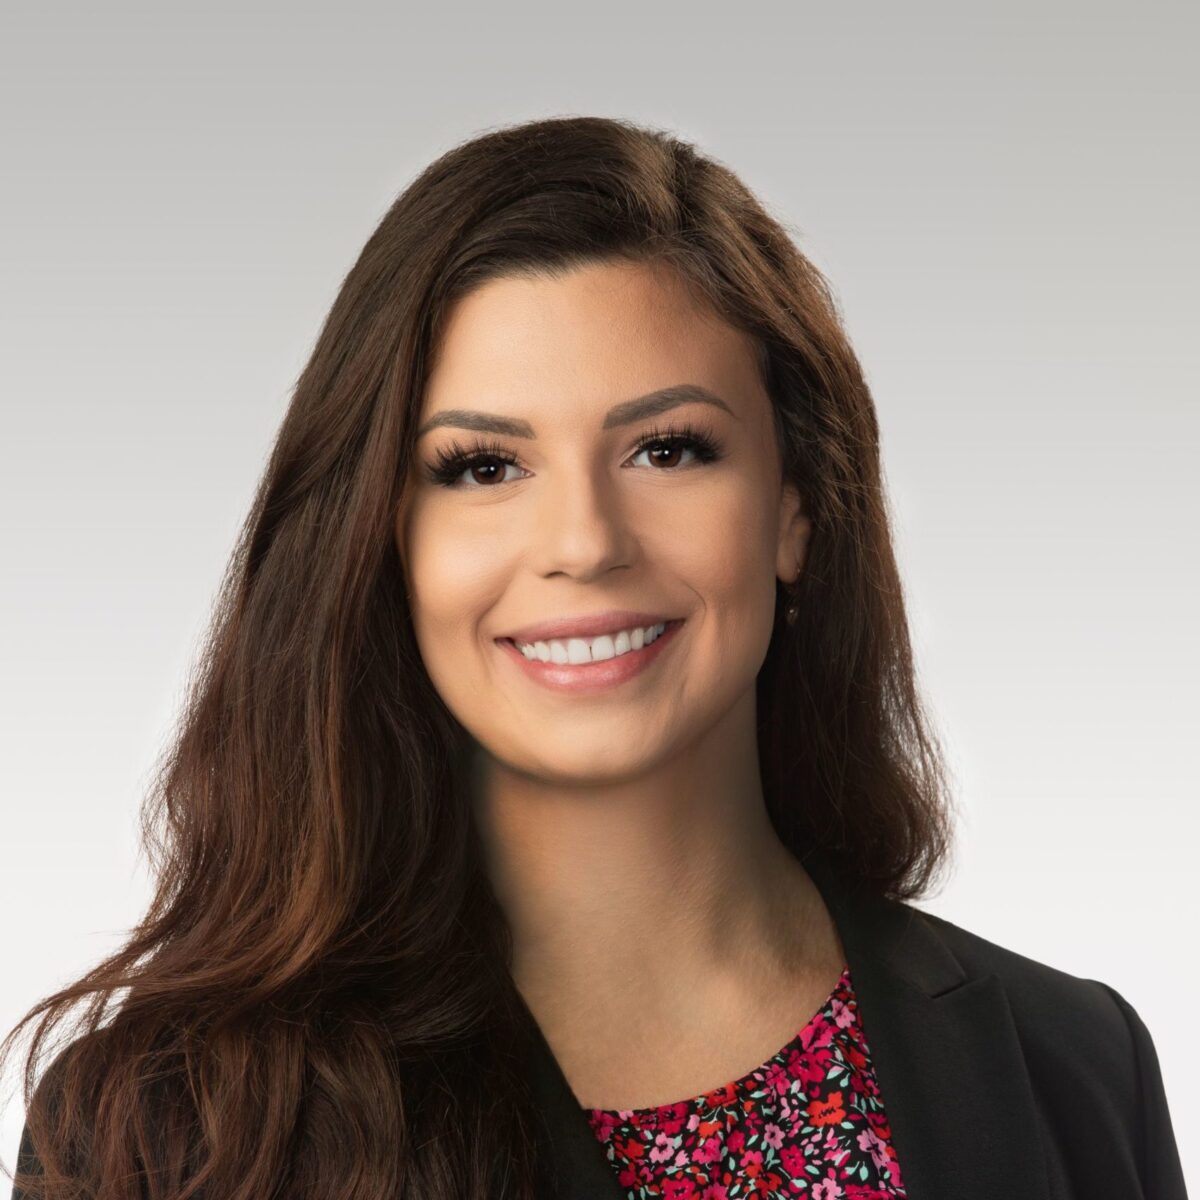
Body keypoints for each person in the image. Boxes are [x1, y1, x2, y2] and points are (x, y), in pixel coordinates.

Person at [3, 115, 1186, 1200]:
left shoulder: (1071, 1067)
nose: (583, 545)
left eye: (668, 450)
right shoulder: (163, 1131)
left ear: (796, 508)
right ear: (380, 541)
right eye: (481, 466)